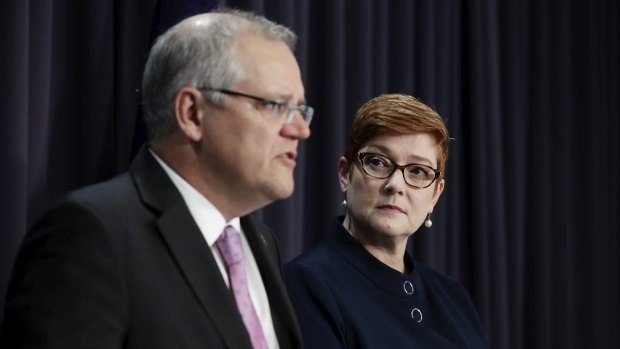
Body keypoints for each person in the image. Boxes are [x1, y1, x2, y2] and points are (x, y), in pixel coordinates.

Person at [1, 9, 312, 349]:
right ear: (193, 113)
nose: (301, 129)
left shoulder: (261, 241)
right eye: (276, 106)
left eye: (300, 109)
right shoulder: (93, 234)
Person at [284, 94, 489, 348]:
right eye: (378, 162)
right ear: (345, 175)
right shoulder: (307, 283)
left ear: (435, 194)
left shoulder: (453, 296)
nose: (395, 185)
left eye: (418, 171)